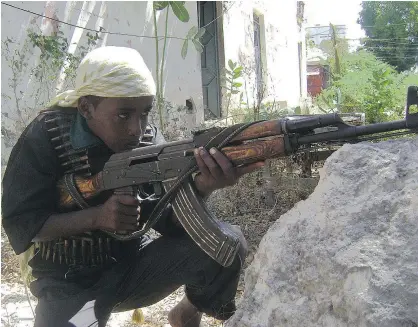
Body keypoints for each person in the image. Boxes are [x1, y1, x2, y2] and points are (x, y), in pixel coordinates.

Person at [1, 46, 264, 327]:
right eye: (123, 115)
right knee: (80, 321)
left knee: (226, 244)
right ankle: (90, 316)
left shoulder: (149, 141)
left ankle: (187, 313)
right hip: (73, 284)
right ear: (86, 107)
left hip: (134, 271)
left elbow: (170, 222)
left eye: (145, 113)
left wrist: (202, 187)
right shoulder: (48, 134)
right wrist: (97, 217)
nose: (137, 130)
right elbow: (23, 222)